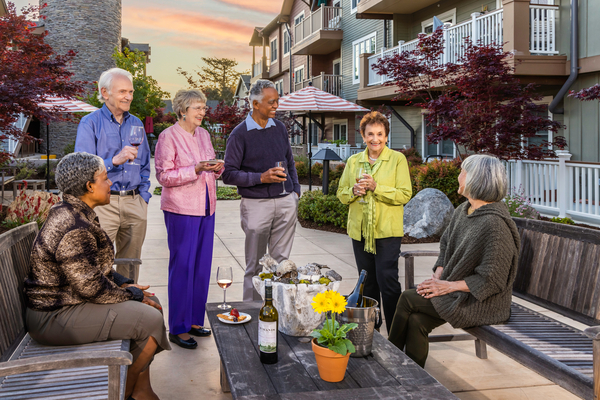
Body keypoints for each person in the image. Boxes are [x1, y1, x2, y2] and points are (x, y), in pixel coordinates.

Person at [24, 152, 170, 400]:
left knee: (152, 304)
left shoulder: (75, 212)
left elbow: (91, 269)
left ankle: (142, 390)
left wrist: (124, 283)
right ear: (90, 186)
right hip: (54, 316)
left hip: (69, 303)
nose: (110, 182)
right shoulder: (73, 225)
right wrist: (131, 294)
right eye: (105, 178)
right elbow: (92, 288)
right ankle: (124, 392)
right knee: (150, 319)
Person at [387, 154, 521, 368]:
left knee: (408, 299)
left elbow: (492, 281)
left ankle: (387, 360)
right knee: (416, 320)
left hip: (483, 302)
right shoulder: (464, 210)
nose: (458, 177)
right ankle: (414, 380)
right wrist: (438, 275)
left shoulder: (495, 225)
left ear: (476, 180)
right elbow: (446, 244)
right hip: (457, 291)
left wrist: (446, 287)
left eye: (462, 173)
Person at [154, 89, 223, 350]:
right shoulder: (167, 136)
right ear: (182, 110)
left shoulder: (204, 134)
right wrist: (195, 169)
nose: (203, 112)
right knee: (182, 267)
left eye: (204, 108)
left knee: (201, 267)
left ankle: (194, 320)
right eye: (198, 108)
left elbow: (210, 167)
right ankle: (178, 327)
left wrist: (218, 166)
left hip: (207, 207)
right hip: (181, 210)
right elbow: (164, 176)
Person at [222, 79, 301, 301]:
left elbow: (290, 161)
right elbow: (228, 174)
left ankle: (276, 312)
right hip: (256, 205)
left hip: (285, 202)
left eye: (277, 101)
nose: (276, 105)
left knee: (281, 264)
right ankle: (252, 313)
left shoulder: (280, 129)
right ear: (256, 104)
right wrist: (261, 177)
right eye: (271, 102)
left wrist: (295, 192)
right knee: (255, 266)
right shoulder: (239, 134)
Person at [337, 111, 412, 333]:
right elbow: (341, 194)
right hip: (360, 232)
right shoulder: (353, 161)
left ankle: (396, 335)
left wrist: (377, 188)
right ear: (363, 135)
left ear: (386, 136)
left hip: (387, 231)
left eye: (380, 134)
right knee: (367, 283)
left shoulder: (397, 160)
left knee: (388, 282)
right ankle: (372, 333)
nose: (375, 139)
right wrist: (353, 190)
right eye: (370, 134)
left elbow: (404, 194)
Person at [75, 67, 152, 283]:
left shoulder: (136, 123)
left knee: (130, 263)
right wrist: (114, 161)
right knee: (101, 261)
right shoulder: (90, 123)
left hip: (134, 201)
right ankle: (105, 307)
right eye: (122, 92)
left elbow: (145, 164)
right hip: (103, 204)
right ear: (105, 93)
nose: (128, 96)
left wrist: (143, 198)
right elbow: (82, 167)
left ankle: (131, 303)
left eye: (131, 92)